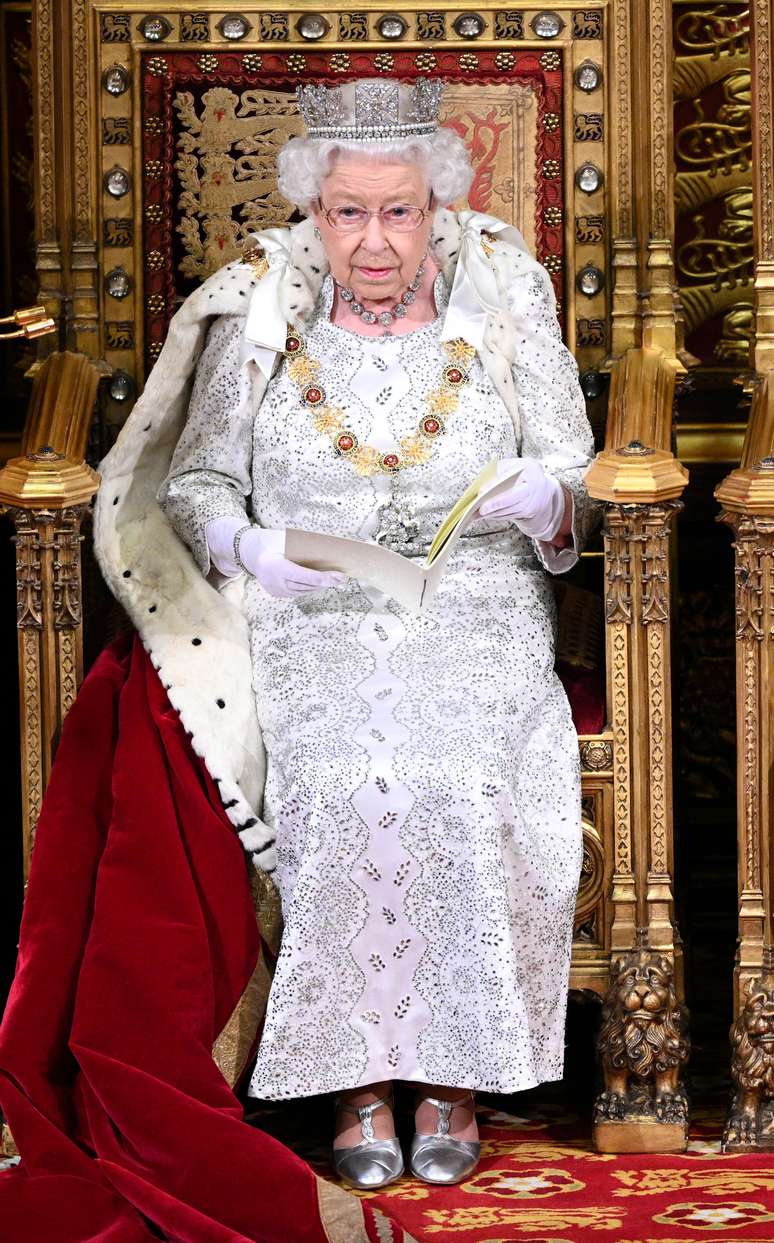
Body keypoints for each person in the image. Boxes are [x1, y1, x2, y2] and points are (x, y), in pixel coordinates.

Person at [94, 76, 598, 1191]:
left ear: (438, 204)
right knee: (339, 772)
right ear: (312, 214)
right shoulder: (260, 308)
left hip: (475, 602)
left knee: (454, 772)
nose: (374, 239)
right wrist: (245, 547)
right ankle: (359, 1082)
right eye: (348, 212)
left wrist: (548, 502)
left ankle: (454, 1077)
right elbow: (199, 479)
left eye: (399, 211)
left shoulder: (508, 296)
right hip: (309, 607)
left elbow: (580, 472)